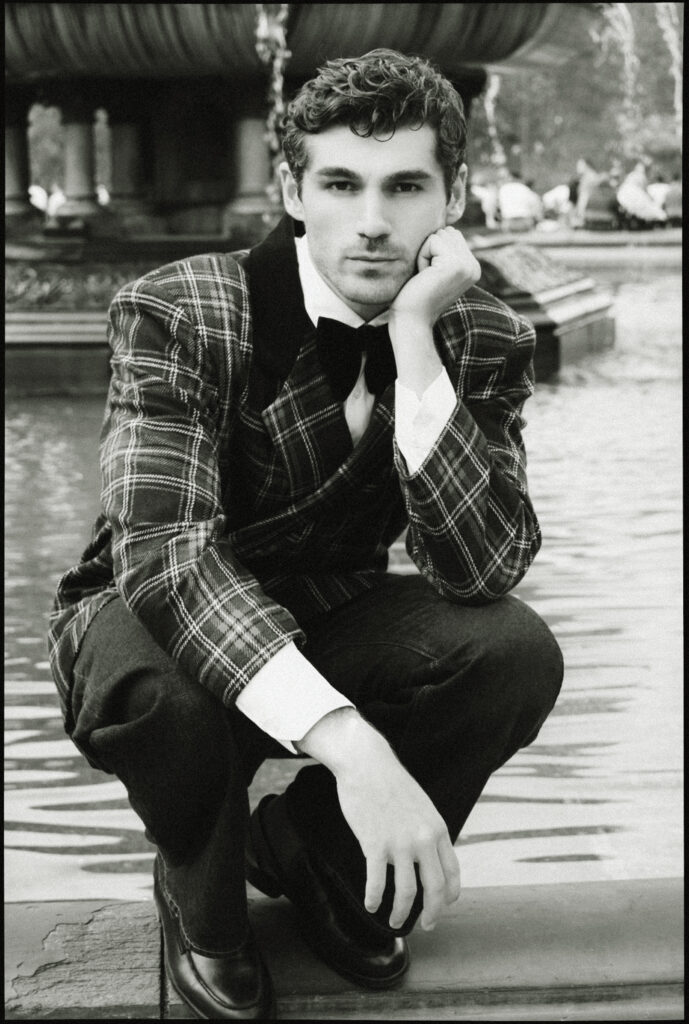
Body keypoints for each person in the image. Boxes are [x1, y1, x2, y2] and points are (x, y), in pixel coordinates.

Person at [48, 49, 563, 1020]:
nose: (371, 221)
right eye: (338, 184)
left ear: (452, 196)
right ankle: (201, 896)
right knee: (167, 694)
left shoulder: (481, 334)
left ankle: (317, 856)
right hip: (149, 620)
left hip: (327, 608)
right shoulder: (180, 308)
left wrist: (416, 342)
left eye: (403, 186)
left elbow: (483, 567)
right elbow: (166, 557)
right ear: (291, 190)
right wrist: (354, 747)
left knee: (513, 652)